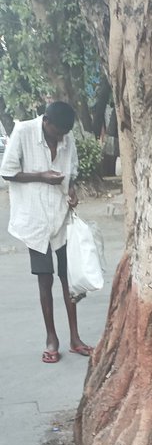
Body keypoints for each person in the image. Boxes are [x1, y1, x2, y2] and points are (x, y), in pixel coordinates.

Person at [1, 100, 93, 364]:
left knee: (69, 279)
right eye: (57, 133)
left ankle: (75, 338)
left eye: (64, 134)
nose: (61, 138)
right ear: (46, 122)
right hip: (35, 218)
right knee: (45, 280)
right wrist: (41, 176)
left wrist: (72, 190)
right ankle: (51, 338)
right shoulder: (24, 132)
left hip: (61, 215)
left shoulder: (66, 135)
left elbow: (71, 171)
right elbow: (7, 172)